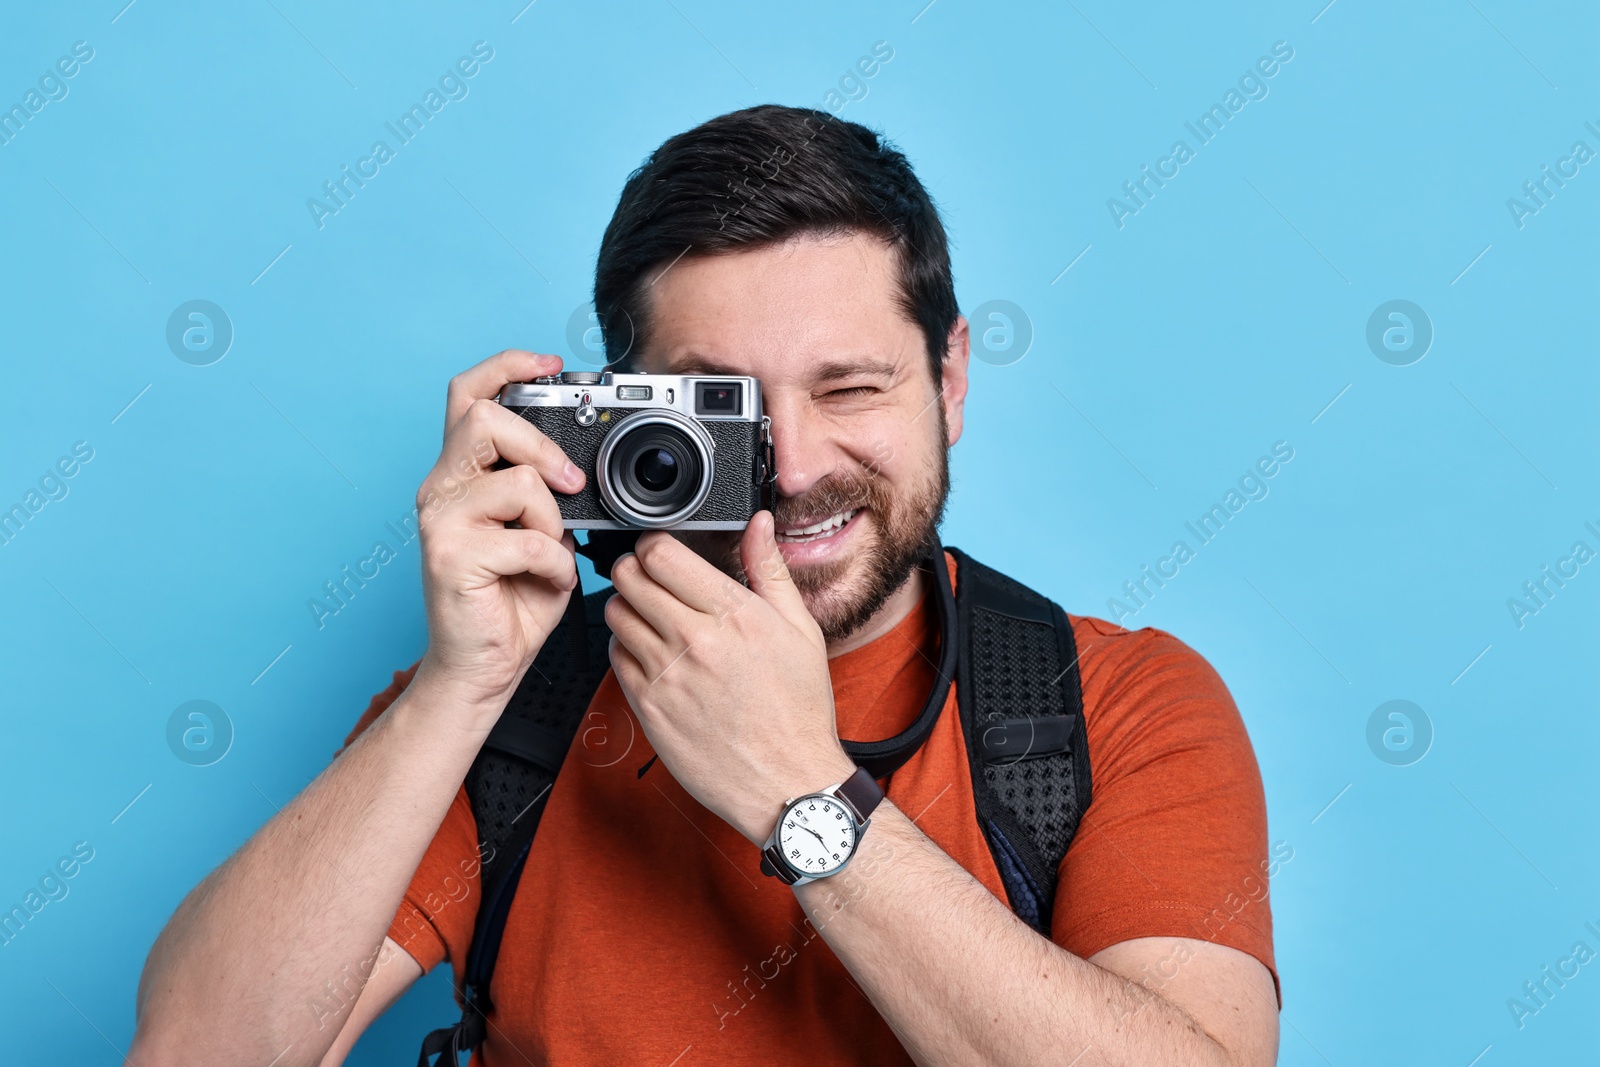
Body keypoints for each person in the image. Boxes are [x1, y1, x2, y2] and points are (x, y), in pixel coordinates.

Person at [131, 104, 1280, 1066]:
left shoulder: (1117, 706)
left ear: (950, 378)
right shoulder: (513, 713)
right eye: (718, 406)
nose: (794, 462)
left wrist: (797, 790)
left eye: (849, 388)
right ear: (617, 417)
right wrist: (456, 687)